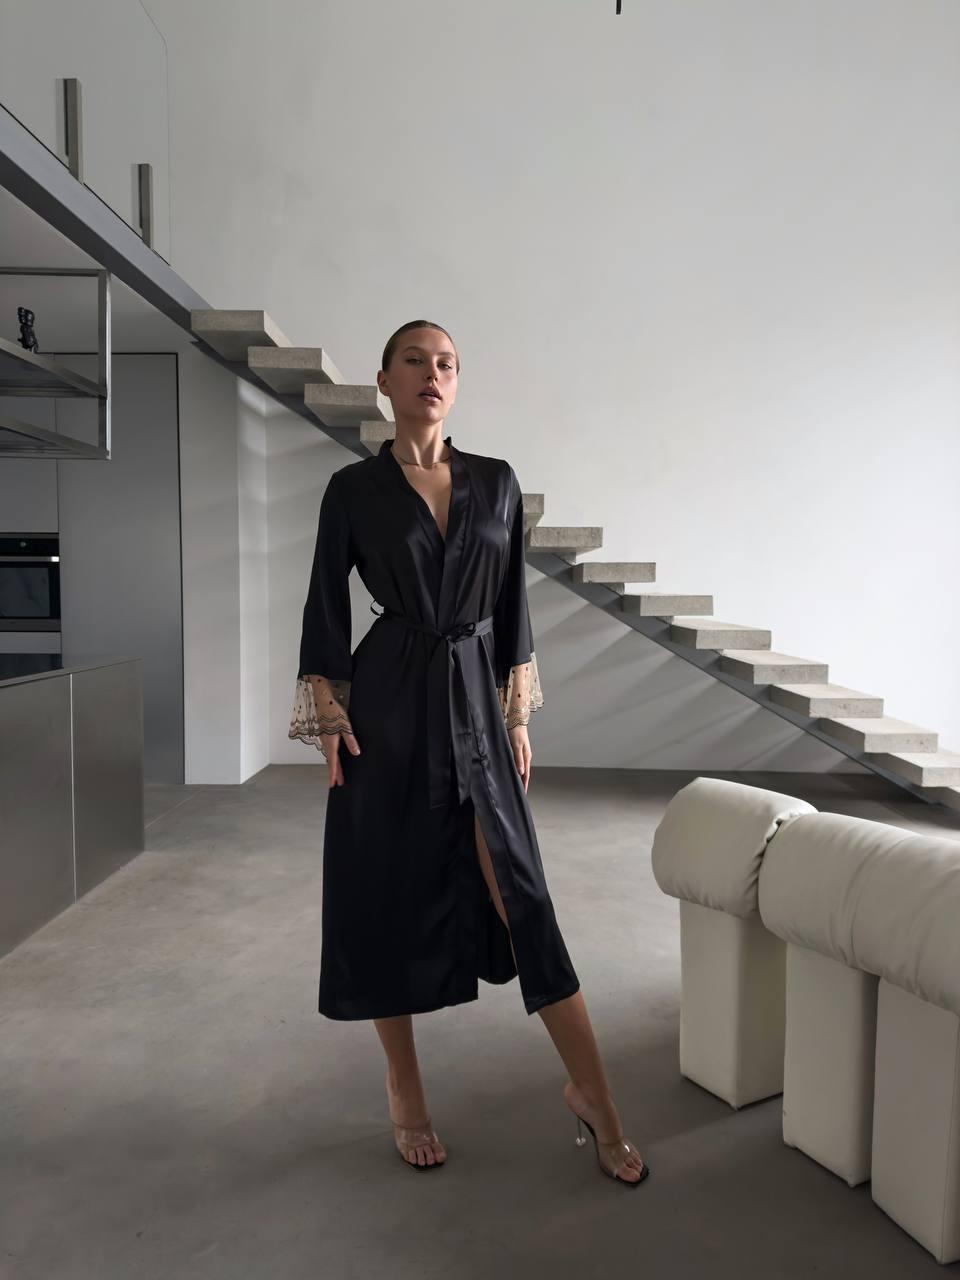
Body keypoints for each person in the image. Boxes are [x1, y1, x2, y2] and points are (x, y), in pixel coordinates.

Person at [289, 320, 649, 1186]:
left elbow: (512, 600)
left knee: (522, 893)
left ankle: (594, 1093)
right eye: (415, 360)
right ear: (385, 380)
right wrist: (330, 716)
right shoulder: (354, 490)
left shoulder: (496, 482)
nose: (433, 373)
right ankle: (404, 1090)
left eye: (446, 363)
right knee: (386, 893)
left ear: (457, 383)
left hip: (477, 709)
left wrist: (516, 715)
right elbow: (325, 603)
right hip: (389, 707)